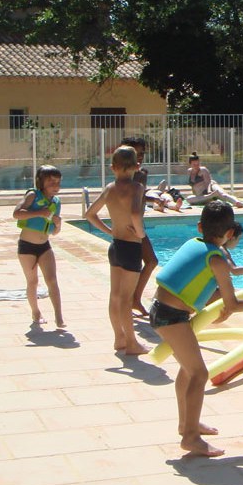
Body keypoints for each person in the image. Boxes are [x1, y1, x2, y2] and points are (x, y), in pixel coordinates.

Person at [151, 201, 243, 457]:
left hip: (162, 310)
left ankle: (187, 425)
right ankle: (191, 438)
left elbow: (194, 286)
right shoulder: (217, 260)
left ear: (199, 226)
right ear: (230, 233)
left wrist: (215, 310)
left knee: (188, 371)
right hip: (172, 317)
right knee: (199, 373)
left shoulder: (194, 244)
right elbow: (232, 303)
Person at [84, 146, 148, 355]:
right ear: (136, 166)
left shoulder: (110, 188)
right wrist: (140, 233)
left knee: (115, 296)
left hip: (116, 245)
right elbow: (136, 214)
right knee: (126, 299)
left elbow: (89, 214)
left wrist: (109, 230)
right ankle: (131, 342)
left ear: (113, 167)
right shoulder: (137, 187)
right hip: (131, 247)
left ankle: (119, 338)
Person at [12, 165, 65, 327]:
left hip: (44, 246)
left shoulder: (56, 202)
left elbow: (54, 232)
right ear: (41, 182)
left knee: (52, 280)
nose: (55, 186)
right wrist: (39, 213)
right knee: (33, 282)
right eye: (51, 182)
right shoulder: (33, 195)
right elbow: (16, 214)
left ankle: (59, 316)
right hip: (27, 247)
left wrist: (58, 224)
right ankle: (36, 312)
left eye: (58, 182)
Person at [121, 136, 159, 318]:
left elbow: (139, 197)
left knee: (148, 262)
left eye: (142, 153)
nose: (140, 156)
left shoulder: (141, 173)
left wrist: (152, 199)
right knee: (144, 263)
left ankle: (133, 300)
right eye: (136, 153)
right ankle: (131, 300)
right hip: (131, 226)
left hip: (137, 224)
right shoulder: (126, 175)